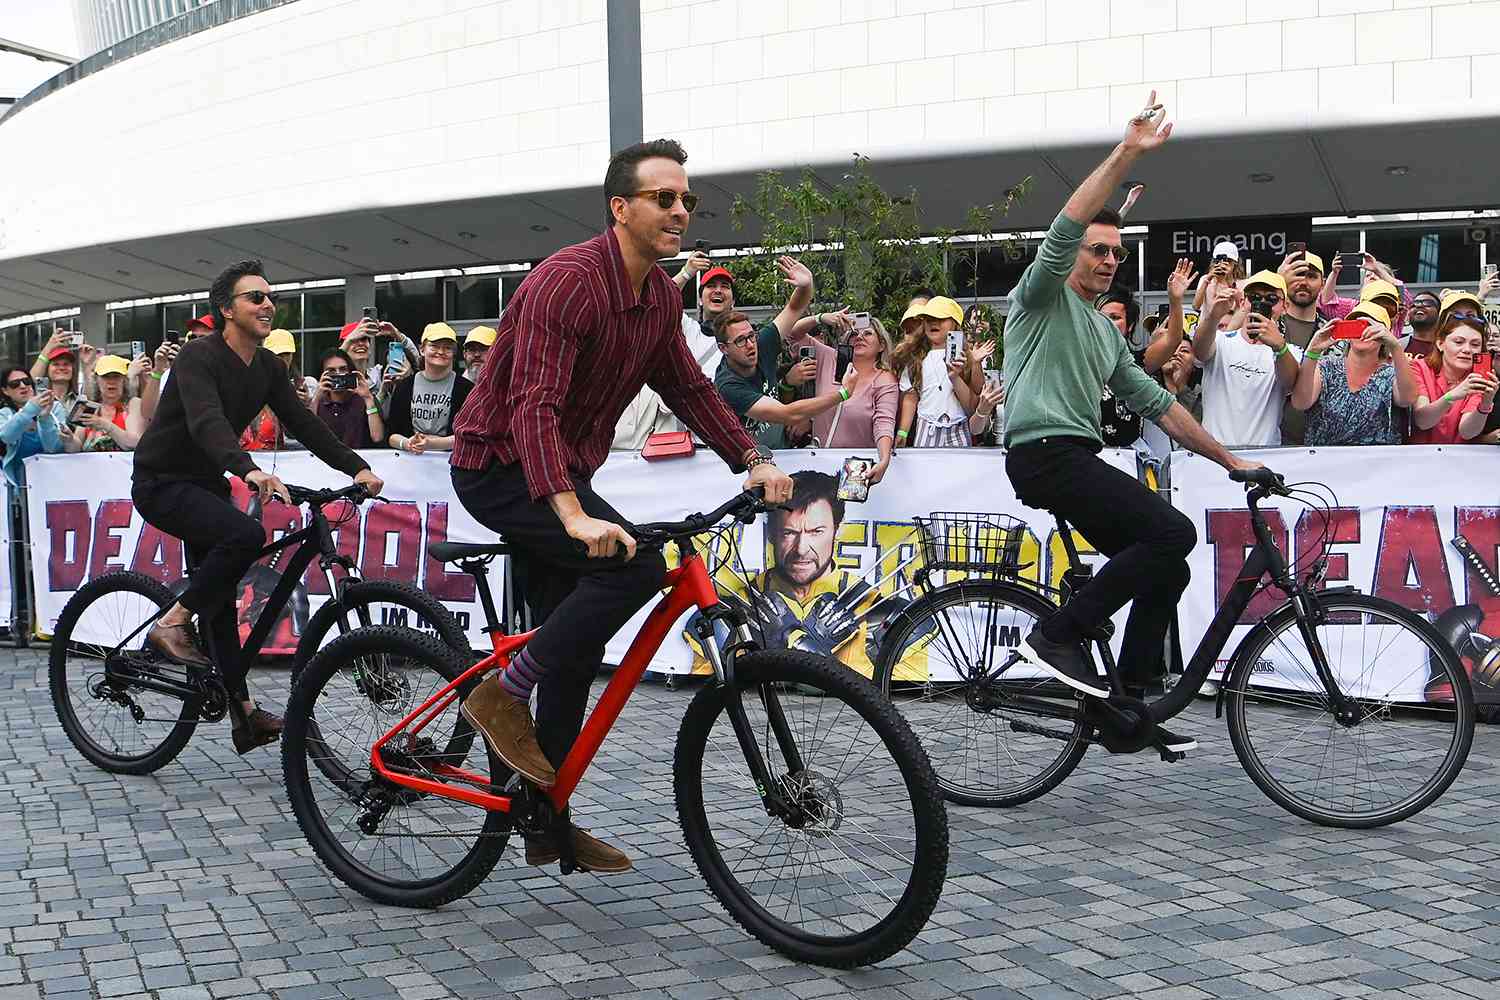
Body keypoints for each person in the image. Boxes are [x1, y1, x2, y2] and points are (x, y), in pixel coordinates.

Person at [449, 139, 793, 873]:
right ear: (620, 208)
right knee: (632, 569)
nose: (680, 211)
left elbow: (691, 390)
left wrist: (754, 459)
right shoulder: (566, 283)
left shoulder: (662, 297)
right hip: (500, 466)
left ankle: (544, 818)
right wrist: (571, 514)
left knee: (569, 650)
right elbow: (532, 405)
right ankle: (500, 696)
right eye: (663, 198)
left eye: (686, 200)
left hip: (562, 473)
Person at [1000, 91, 1260, 753]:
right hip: (1046, 453)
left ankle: (1131, 708)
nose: (1109, 259)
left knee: (1167, 563)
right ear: (1072, 256)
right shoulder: (1041, 296)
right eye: (1098, 250)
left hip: (1073, 456)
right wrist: (1127, 151)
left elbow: (1159, 403)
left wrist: (1232, 462)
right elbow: (1066, 224)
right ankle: (1057, 635)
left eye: (1117, 252)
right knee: (1171, 530)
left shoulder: (1103, 332)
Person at [131, 259, 382, 754]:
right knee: (246, 537)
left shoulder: (268, 366)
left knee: (222, 597)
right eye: (255, 297)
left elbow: (305, 426)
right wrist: (247, 469)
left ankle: (243, 716)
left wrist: (356, 468)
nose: (268, 304)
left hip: (206, 485)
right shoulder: (199, 357)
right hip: (162, 482)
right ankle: (172, 621)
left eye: (270, 297)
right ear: (227, 309)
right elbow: (206, 422)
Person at [712, 256, 849, 450]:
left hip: (782, 452)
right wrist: (842, 394)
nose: (751, 345)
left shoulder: (762, 344)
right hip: (747, 464)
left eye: (751, 336)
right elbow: (788, 414)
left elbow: (794, 308)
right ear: (723, 348)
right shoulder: (728, 386)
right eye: (741, 341)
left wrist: (806, 284)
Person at [784, 309, 899, 481]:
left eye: (867, 333)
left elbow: (884, 422)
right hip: (819, 461)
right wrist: (820, 317)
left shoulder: (884, 379)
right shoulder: (830, 358)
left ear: (881, 345)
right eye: (854, 333)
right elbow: (792, 333)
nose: (859, 337)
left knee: (852, 508)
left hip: (856, 466)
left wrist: (884, 459)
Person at [1193, 271, 1302, 448]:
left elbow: (1290, 382)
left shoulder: (1291, 352)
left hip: (1265, 454)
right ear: (1243, 302)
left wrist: (1279, 347)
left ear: (1285, 307)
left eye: (1272, 299)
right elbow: (1198, 351)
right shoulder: (1220, 340)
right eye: (1255, 297)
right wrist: (1213, 316)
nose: (1262, 303)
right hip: (1215, 453)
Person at [1290, 303, 1417, 446]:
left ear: (1384, 334)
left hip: (1376, 464)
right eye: (1355, 325)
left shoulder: (1390, 374)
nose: (1363, 332)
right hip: (1324, 462)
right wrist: (1312, 351)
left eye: (1369, 326)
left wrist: (1395, 347)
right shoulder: (1326, 366)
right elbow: (1300, 403)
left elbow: (1408, 399)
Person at [892, 296, 988, 447]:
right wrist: (902, 432)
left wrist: (974, 365)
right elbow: (911, 398)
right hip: (926, 425)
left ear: (955, 324)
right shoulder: (915, 358)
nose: (933, 323)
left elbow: (975, 402)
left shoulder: (968, 357)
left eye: (940, 318)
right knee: (924, 469)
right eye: (928, 319)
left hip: (959, 427)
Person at [1408, 312, 1497, 445]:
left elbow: (1467, 432)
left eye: (1475, 345)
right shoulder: (1418, 367)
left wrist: (1485, 404)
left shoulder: (1479, 377)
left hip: (1459, 460)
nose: (1467, 350)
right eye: (1459, 342)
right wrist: (1452, 396)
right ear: (1440, 344)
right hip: (1420, 457)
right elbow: (1423, 421)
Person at [385, 323, 473, 454]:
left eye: (447, 348)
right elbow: (392, 435)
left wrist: (432, 444)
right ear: (422, 349)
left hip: (450, 463)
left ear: (454, 353)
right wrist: (407, 443)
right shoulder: (404, 386)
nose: (441, 352)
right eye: (434, 346)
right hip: (410, 462)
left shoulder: (467, 389)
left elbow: (470, 436)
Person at [1094, 287, 1145, 448]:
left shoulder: (1139, 361)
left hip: (1130, 454)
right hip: (1088, 452)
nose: (1107, 323)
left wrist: (1175, 299)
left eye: (1115, 317)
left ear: (1129, 325)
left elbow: (1171, 340)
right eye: (1100, 317)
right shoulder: (1076, 360)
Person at [0, 368, 65, 487]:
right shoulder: (4, 414)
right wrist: (30, 409)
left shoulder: (55, 407)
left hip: (56, 480)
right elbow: (6, 436)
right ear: (5, 391)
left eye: (26, 381)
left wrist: (45, 418)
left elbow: (55, 448)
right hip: (20, 487)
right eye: (15, 384)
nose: (23, 386)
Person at [70, 355, 148, 452]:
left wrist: (104, 424)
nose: (111, 381)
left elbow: (135, 443)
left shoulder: (133, 404)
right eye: (106, 377)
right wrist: (68, 439)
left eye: (116, 376)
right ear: (97, 380)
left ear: (124, 380)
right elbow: (75, 448)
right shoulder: (90, 407)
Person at [1320, 252, 1410, 334]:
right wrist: (1334, 273)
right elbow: (1326, 303)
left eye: (1377, 274)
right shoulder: (1354, 306)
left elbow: (1405, 297)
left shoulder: (1395, 307)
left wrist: (1377, 269)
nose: (1372, 276)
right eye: (1367, 275)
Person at [312, 348, 383, 449]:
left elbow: (377, 437)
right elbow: (307, 433)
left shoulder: (364, 399)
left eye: (343, 369)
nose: (338, 374)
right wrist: (317, 397)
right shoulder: (318, 401)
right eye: (331, 371)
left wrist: (368, 399)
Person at [1405, 290, 1442, 361]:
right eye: (1414, 305)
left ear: (1439, 314)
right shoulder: (1395, 345)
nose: (1419, 306)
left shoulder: (1446, 348)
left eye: (1427, 304)